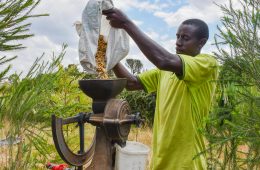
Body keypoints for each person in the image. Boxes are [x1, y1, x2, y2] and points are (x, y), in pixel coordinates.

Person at [103, 8, 218, 170]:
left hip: (186, 164)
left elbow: (163, 60)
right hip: (160, 162)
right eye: (177, 36)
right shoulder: (165, 71)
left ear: (201, 42)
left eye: (185, 38)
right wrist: (110, 56)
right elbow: (131, 84)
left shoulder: (207, 64)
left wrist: (126, 24)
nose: (178, 42)